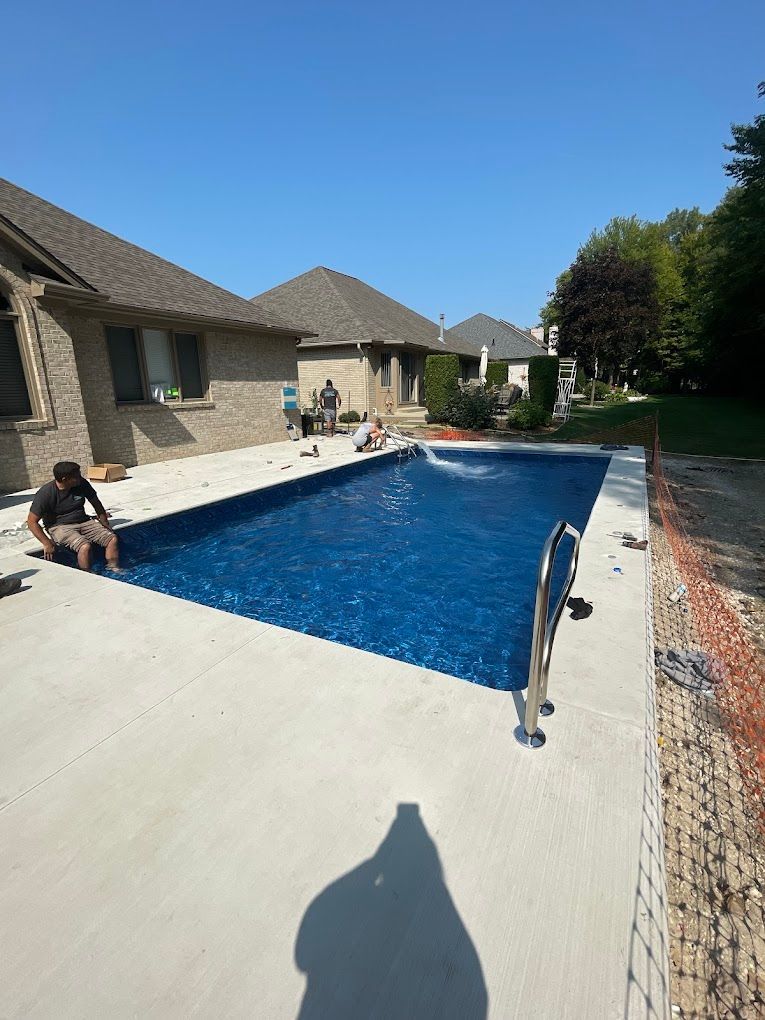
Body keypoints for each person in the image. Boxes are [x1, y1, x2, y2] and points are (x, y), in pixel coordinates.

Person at [27, 461, 120, 572]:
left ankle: (113, 568)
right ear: (64, 479)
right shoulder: (46, 493)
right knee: (84, 546)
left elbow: (96, 503)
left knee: (112, 539)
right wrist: (46, 543)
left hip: (84, 521)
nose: (80, 478)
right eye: (76, 476)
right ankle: (87, 573)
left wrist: (105, 523)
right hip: (59, 526)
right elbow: (31, 522)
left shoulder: (82, 484)